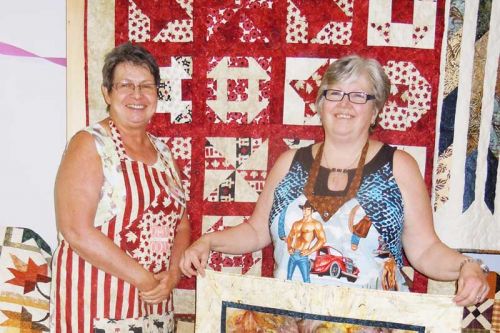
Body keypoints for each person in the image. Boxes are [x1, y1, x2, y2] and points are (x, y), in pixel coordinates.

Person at [180, 54, 489, 306]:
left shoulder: (399, 167)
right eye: (335, 93)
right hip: (293, 318)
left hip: (374, 323)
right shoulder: (290, 163)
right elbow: (256, 231)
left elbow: (424, 250)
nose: (344, 105)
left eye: (358, 96)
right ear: (320, 104)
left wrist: (467, 265)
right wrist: (208, 241)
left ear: (375, 110)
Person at [50, 43, 190, 332]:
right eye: (125, 85)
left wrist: (172, 274)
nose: (137, 95)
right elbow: (76, 230)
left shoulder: (163, 152)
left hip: (154, 302)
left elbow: (182, 223)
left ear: (157, 94)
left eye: (146, 86)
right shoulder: (90, 144)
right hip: (99, 301)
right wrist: (144, 279)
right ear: (107, 92)